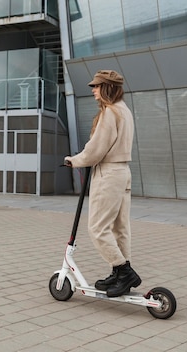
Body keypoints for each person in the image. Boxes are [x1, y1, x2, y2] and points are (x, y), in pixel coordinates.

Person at [64, 69, 141, 297]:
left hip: (108, 174)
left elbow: (96, 149)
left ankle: (124, 271)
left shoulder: (110, 113)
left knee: (97, 228)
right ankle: (119, 275)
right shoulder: (124, 111)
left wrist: (74, 160)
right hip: (123, 171)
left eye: (96, 86)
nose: (93, 91)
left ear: (107, 87)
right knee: (119, 228)